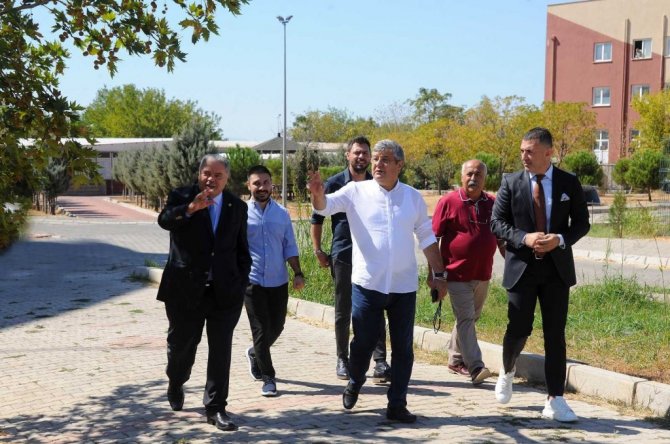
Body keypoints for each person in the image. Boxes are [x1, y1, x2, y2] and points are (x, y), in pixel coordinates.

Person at [308, 139, 448, 423]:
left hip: (403, 287)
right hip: (367, 285)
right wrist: (317, 195)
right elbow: (325, 207)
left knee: (403, 349)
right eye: (376, 159)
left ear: (399, 165)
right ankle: (355, 382)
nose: (377, 164)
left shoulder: (412, 197)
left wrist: (440, 274)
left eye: (385, 159)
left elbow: (426, 236)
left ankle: (397, 404)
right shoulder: (356, 191)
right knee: (363, 343)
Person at [491, 127, 590, 422]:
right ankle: (508, 369)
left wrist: (559, 239)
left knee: (555, 334)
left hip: (556, 270)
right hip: (521, 269)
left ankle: (555, 399)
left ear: (548, 153)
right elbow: (497, 223)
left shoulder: (568, 182)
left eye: (530, 152)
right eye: (522, 151)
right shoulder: (511, 182)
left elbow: (582, 223)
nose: (524, 156)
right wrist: (525, 238)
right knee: (518, 329)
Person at [156, 154, 251, 432]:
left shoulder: (236, 206)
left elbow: (241, 248)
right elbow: (164, 220)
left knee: (221, 351)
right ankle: (176, 381)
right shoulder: (182, 196)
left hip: (224, 292)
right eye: (207, 173)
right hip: (185, 291)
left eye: (218, 175)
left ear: (227, 178)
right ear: (199, 174)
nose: (211, 179)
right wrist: (190, 209)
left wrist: (240, 282)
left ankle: (216, 407)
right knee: (182, 347)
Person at [310, 136, 390, 382]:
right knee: (343, 310)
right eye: (357, 152)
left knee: (375, 307)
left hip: (371, 257)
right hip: (344, 254)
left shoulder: (377, 184)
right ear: (348, 155)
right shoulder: (334, 183)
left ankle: (380, 362)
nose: (361, 157)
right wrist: (318, 250)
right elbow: (317, 218)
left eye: (365, 153)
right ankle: (342, 359)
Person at [431, 159, 505, 386]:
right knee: (466, 319)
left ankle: (455, 359)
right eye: (469, 174)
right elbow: (433, 239)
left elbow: (501, 237)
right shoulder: (448, 202)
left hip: (483, 274)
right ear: (462, 177)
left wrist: (513, 264)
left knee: (470, 318)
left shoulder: (493, 203)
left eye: (478, 175)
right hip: (456, 274)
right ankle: (476, 367)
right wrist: (435, 274)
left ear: (485, 178)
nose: (473, 178)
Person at [243, 165, 305, 397]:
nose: (262, 187)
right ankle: (268, 378)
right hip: (252, 281)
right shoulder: (241, 214)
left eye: (266, 182)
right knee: (260, 330)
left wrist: (298, 273)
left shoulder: (282, 214)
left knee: (277, 326)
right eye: (257, 183)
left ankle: (254, 353)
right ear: (248, 186)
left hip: (278, 281)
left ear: (272, 184)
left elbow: (290, 246)